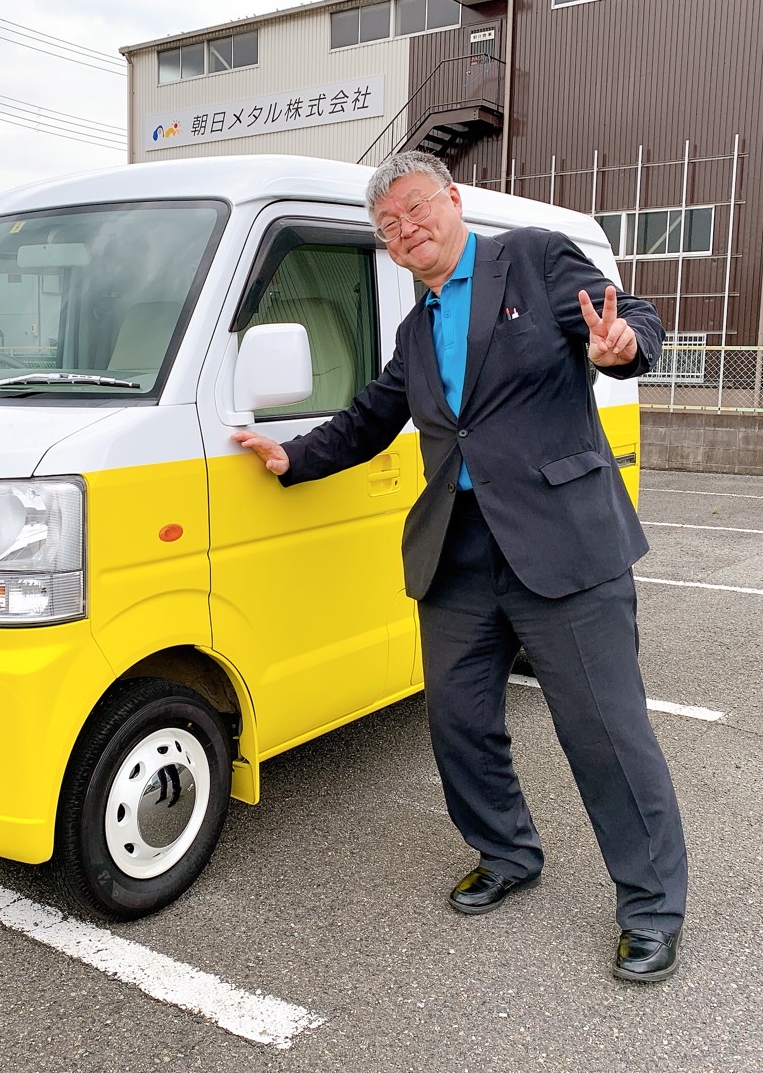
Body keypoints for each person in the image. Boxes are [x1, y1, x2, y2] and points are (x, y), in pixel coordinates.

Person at [231, 151, 688, 983]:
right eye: (388, 227)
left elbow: (630, 321)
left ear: (449, 200)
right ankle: (506, 850)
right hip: (458, 548)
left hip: (564, 543)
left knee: (604, 733)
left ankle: (651, 905)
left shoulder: (534, 256)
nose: (405, 231)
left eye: (413, 210)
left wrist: (621, 347)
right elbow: (369, 417)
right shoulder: (415, 328)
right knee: (458, 719)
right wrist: (289, 457)